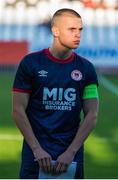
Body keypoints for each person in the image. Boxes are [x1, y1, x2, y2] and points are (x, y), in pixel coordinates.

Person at [12, 8, 99, 179]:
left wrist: (71, 152)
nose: (78, 34)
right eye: (72, 29)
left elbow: (92, 115)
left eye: (80, 29)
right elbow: (17, 110)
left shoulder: (86, 68)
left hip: (71, 155)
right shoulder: (30, 63)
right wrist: (36, 149)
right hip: (35, 154)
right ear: (55, 30)